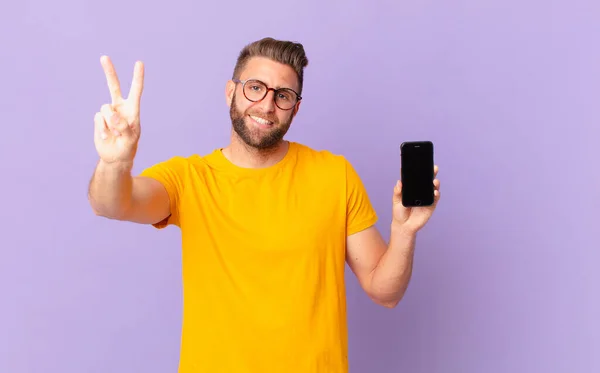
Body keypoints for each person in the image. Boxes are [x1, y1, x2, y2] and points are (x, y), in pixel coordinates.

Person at [87, 37, 440, 373]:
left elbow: (386, 292)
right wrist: (115, 164)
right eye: (255, 88)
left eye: (283, 95)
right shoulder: (189, 178)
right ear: (231, 92)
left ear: (296, 108)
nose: (267, 105)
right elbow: (112, 204)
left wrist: (404, 231)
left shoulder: (335, 175)